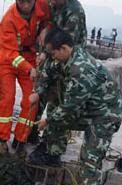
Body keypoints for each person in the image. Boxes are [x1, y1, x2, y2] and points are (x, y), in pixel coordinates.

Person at [28, 28, 122, 185]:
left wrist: (46, 121)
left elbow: (69, 109)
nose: (52, 57)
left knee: (89, 162)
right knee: (55, 109)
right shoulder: (64, 57)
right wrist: (38, 92)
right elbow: (48, 71)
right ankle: (52, 154)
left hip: (105, 115)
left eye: (53, 53)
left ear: (63, 48)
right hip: (89, 108)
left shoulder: (81, 70)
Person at [0, 0, 50, 150]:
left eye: (29, 2)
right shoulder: (8, 19)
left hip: (30, 55)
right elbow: (10, 53)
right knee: (7, 97)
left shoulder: (43, 5)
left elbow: (50, 20)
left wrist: (46, 30)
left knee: (31, 100)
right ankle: (2, 137)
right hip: (8, 58)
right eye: (22, 1)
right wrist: (28, 68)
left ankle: (20, 139)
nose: (26, 5)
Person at [30, 0, 87, 145]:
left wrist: (47, 55)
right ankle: (31, 131)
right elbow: (48, 34)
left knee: (58, 99)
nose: (52, 2)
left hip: (68, 58)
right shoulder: (51, 5)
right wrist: (44, 53)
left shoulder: (74, 10)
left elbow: (65, 44)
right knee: (39, 91)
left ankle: (52, 148)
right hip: (53, 54)